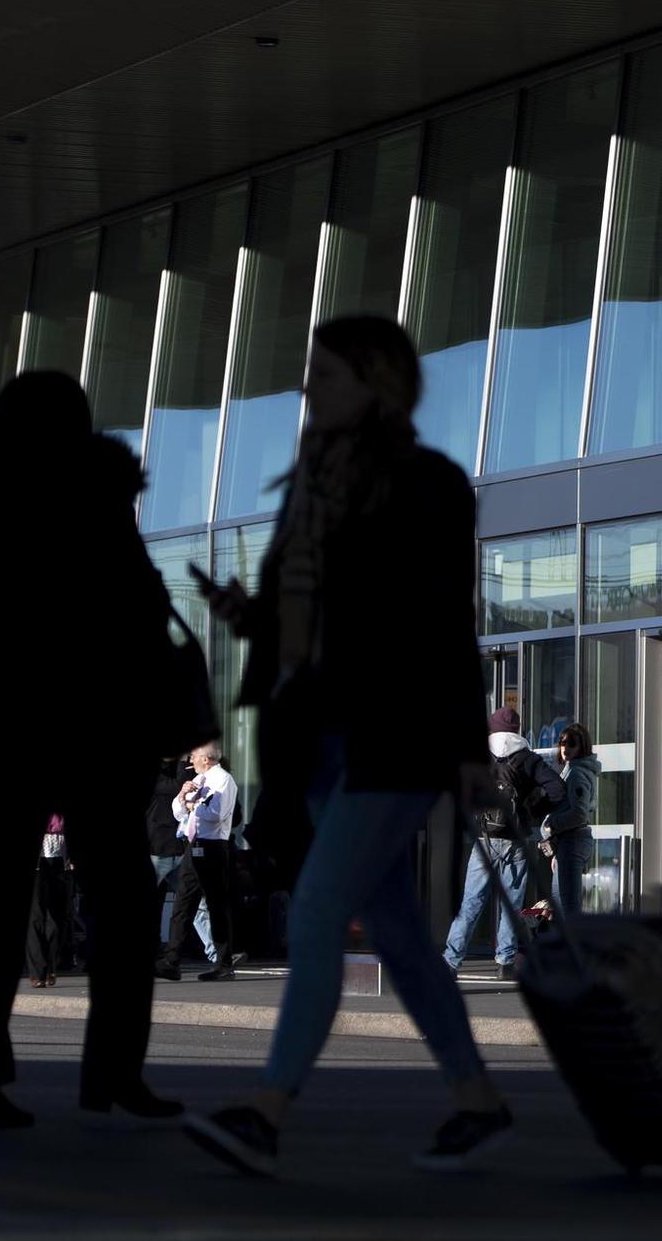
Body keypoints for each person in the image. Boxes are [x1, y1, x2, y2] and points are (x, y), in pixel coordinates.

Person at [183, 317, 510, 1177]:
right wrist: (244, 617)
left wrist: (469, 747)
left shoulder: (428, 485)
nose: (308, 390)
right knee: (400, 933)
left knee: (323, 911)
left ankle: (266, 1109)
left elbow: (446, 620)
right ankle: (477, 1101)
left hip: (395, 738)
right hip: (316, 738)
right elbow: (302, 621)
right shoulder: (310, 486)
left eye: (324, 375)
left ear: (377, 383)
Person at [0, 370, 184, 1129]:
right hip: (92, 726)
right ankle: (113, 1071)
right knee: (123, 899)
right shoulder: (100, 502)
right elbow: (146, 604)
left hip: (11, 723)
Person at [445, 707, 563, 979]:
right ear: (517, 730)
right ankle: (505, 962)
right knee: (512, 904)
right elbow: (558, 789)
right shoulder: (528, 759)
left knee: (471, 903)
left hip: (484, 839)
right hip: (516, 842)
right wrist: (533, 812)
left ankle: (451, 961)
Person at [157, 743, 241, 982]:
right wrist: (183, 797)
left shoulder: (223, 780)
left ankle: (224, 963)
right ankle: (171, 961)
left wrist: (194, 805)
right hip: (192, 846)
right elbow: (178, 813)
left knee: (216, 906)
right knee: (183, 903)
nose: (190, 758)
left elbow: (216, 814)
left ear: (206, 758)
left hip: (213, 847)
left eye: (194, 754)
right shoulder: (198, 779)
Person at [147, 757, 220, 967]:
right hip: (157, 849)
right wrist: (181, 764)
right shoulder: (166, 774)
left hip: (180, 847)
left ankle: (216, 952)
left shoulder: (188, 770)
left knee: (197, 903)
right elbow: (174, 787)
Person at [548, 723, 600, 916]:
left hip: (573, 840)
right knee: (560, 901)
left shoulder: (576, 773)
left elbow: (579, 814)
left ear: (582, 747)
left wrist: (551, 825)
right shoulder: (571, 770)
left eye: (571, 744)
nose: (565, 748)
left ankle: (574, 945)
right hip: (568, 841)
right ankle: (566, 944)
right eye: (562, 743)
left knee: (568, 905)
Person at [25, 816, 73, 988]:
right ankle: (37, 973)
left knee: (57, 922)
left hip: (61, 862)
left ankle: (52, 967)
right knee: (36, 918)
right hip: (38, 862)